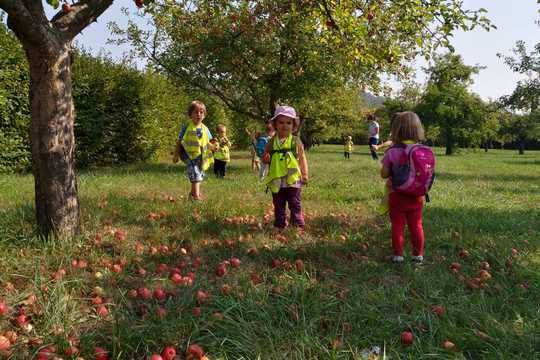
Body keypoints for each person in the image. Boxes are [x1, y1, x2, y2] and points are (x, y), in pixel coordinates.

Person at [380, 112, 430, 264]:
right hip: (417, 197)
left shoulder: (392, 151)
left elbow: (384, 174)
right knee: (416, 225)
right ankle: (418, 255)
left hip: (397, 196)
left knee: (398, 225)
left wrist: (384, 166)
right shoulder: (422, 150)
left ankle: (398, 255)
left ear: (396, 130)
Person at [262, 105, 309, 233]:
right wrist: (265, 158)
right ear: (275, 124)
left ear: (293, 126)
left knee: (295, 202)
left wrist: (304, 174)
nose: (285, 125)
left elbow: (302, 157)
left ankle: (297, 223)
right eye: (281, 122)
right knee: (278, 204)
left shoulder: (295, 141)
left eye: (288, 122)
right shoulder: (271, 142)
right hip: (277, 179)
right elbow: (265, 157)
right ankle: (280, 224)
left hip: (292, 179)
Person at [173, 101, 217, 201]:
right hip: (188, 155)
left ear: (204, 115)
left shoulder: (205, 129)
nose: (198, 114)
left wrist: (213, 147)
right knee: (195, 173)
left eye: (201, 112)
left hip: (200, 156)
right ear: (190, 115)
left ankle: (192, 195)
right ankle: (196, 196)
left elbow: (207, 142)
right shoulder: (187, 127)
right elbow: (180, 141)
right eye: (195, 112)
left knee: (199, 173)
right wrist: (176, 155)